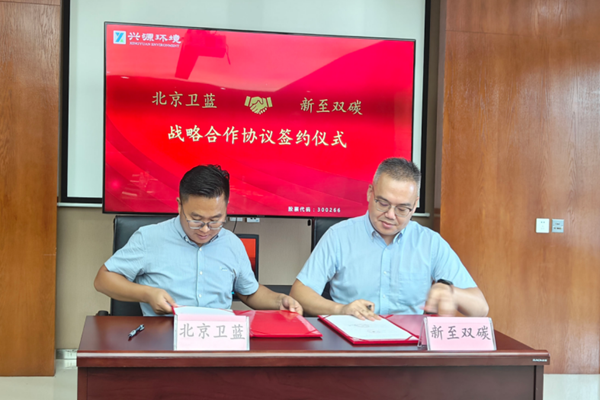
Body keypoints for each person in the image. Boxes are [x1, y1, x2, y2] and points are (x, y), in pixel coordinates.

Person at [290, 157, 488, 320]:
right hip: (351, 345)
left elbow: (480, 308)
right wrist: (341, 310)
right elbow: (299, 293)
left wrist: (451, 292)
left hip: (410, 350)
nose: (390, 215)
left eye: (402, 208)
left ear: (415, 205)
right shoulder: (339, 236)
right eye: (383, 203)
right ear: (370, 193)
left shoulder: (430, 243)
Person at [94, 164, 303, 316]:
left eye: (215, 220)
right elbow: (103, 279)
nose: (205, 229)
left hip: (218, 340)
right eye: (196, 219)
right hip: (164, 340)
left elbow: (250, 293)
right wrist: (147, 293)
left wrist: (279, 300)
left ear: (226, 209)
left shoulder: (232, 244)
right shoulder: (149, 238)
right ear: (179, 205)